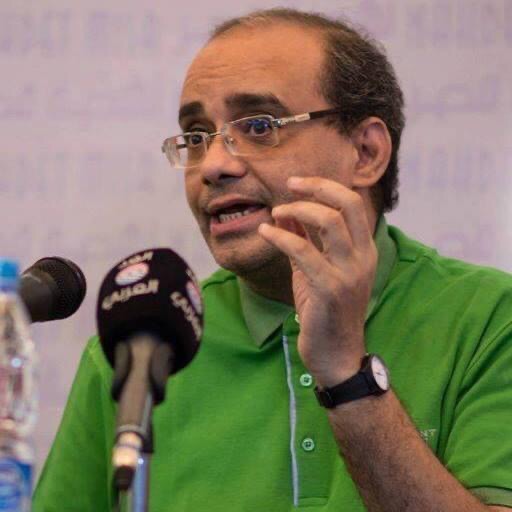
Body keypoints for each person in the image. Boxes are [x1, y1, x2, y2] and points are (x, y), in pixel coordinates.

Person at [34, 8, 512, 512]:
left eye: (259, 126)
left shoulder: (488, 318)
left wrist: (346, 373)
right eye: (195, 136)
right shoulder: (142, 347)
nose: (214, 165)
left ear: (366, 152)